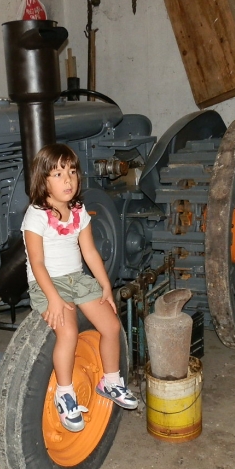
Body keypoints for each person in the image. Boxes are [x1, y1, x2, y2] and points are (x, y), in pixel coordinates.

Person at [21, 143, 138, 432]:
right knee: (69, 331)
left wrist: (105, 287)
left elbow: (90, 253)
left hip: (77, 279)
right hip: (47, 281)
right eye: (58, 174)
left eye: (72, 172)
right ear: (42, 180)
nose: (68, 180)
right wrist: (53, 299)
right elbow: (36, 262)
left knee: (111, 327)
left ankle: (110, 381)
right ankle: (65, 393)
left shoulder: (78, 210)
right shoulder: (35, 215)